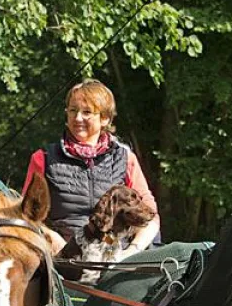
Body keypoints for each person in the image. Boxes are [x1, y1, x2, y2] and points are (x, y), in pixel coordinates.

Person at [23, 79, 161, 254]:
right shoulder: (42, 158)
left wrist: (132, 251)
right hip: (61, 259)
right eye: (73, 110)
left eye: (87, 112)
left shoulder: (126, 158)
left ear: (105, 119)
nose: (78, 118)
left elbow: (151, 215)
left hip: (118, 258)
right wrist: (50, 237)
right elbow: (27, 216)